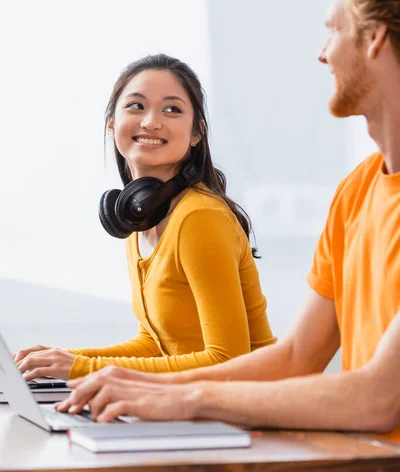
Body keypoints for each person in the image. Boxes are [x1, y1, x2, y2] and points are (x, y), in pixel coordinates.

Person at [55, 0, 400, 442]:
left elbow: (378, 398)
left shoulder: (199, 216)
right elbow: (298, 356)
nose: (322, 52)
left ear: (375, 39)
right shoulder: (357, 190)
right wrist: (130, 385)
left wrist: (185, 396)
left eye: (333, 29)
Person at [14, 54, 275, 380]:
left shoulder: (200, 218)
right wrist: (61, 360)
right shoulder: (139, 218)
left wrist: (81, 368)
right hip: (193, 406)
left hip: (250, 412)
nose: (151, 121)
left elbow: (227, 361)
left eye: (172, 109)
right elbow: (156, 344)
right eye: (136, 106)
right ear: (112, 124)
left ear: (197, 133)